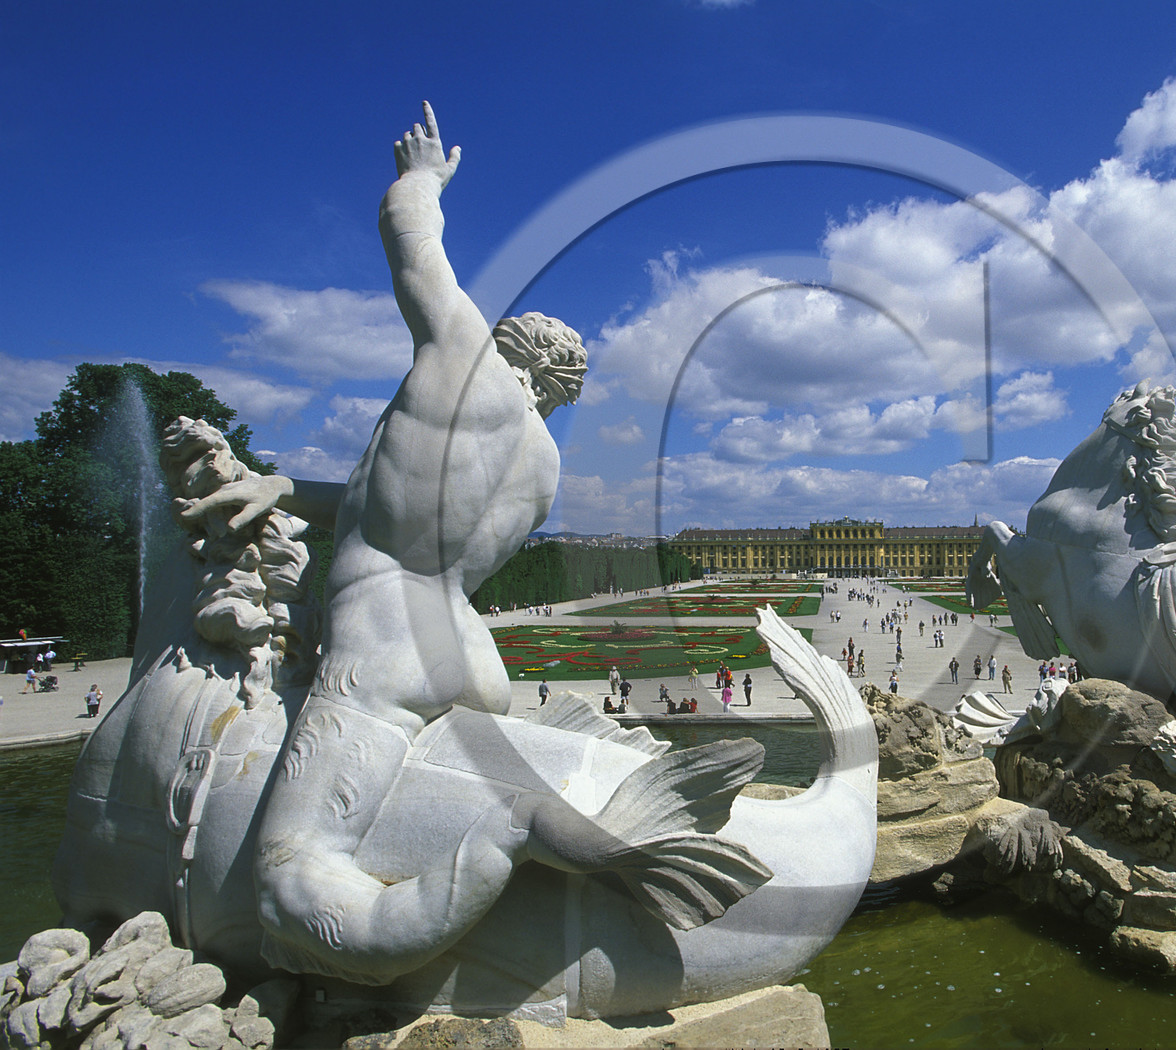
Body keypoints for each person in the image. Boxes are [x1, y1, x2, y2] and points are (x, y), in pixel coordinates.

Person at [173, 105, 767, 981]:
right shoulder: (544, 465)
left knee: (290, 886)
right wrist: (285, 487)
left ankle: (513, 833)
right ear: (561, 391)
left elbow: (405, 234)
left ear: (505, 343)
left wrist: (424, 176)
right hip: (466, 654)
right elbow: (408, 513)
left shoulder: (460, 358)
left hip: (381, 648)